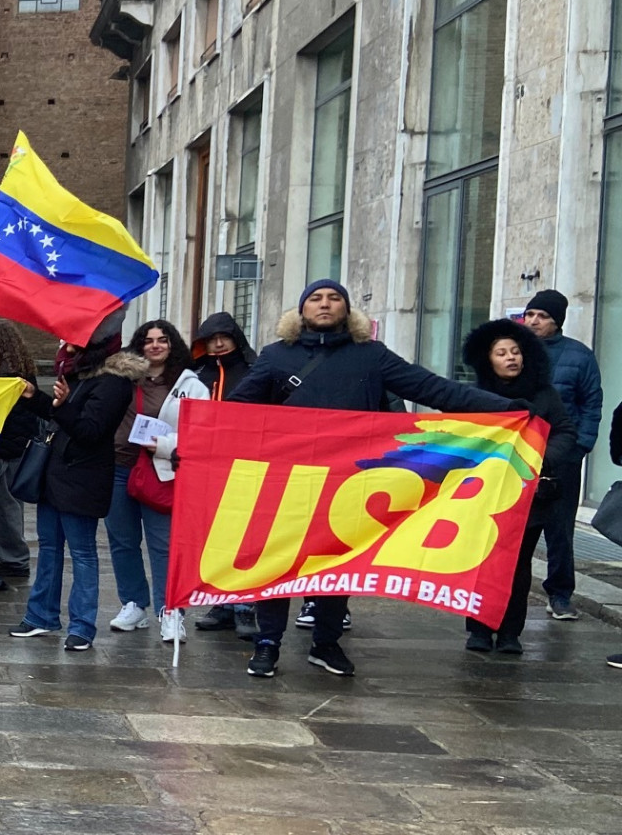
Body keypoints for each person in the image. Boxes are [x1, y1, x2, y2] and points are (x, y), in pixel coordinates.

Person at [230, 279, 522, 678]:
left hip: (350, 480)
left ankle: (326, 643)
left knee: (337, 561)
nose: (325, 304)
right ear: (301, 311)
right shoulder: (276, 356)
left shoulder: (371, 356)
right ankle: (267, 644)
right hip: (290, 479)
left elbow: (434, 389)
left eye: (334, 298)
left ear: (348, 311)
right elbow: (235, 411)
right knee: (276, 559)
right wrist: (193, 442)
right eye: (315, 298)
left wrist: (504, 408)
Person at [10, 319, 144, 651]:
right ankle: (41, 615)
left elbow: (89, 431)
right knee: (49, 548)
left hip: (82, 478)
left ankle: (82, 626)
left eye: (72, 341)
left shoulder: (114, 382)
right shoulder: (76, 371)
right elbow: (59, 415)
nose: (64, 346)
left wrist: (64, 405)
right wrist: (34, 397)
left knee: (82, 553)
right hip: (54, 474)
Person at [458, 320, 575, 655]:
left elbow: (566, 431)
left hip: (530, 497)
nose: (511, 358)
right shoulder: (474, 395)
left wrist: (541, 458)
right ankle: (479, 628)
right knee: (484, 562)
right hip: (485, 494)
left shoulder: (545, 395)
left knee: (519, 566)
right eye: (502, 353)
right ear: (488, 359)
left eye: (516, 351)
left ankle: (511, 632)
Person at [105, 320, 193, 641]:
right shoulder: (124, 379)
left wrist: (167, 446)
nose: (155, 345)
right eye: (148, 340)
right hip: (118, 467)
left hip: (161, 470)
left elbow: (201, 431)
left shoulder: (189, 383)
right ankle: (134, 604)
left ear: (173, 345)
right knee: (122, 540)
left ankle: (170, 610)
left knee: (162, 545)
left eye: (162, 340)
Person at [522, 290, 601, 622]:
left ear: (557, 322)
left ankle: (560, 595)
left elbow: (591, 405)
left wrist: (578, 447)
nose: (533, 321)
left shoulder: (579, 357)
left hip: (562, 457)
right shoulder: (515, 352)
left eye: (542, 316)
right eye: (530, 315)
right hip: (519, 455)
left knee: (559, 530)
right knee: (518, 529)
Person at [187, 311, 260, 640]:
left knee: (246, 539)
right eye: (211, 339)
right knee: (215, 540)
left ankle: (245, 606)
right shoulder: (195, 374)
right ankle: (221, 603)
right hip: (206, 467)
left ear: (235, 338)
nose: (218, 343)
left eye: (224, 337)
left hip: (246, 465)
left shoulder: (254, 371)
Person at [0, 318, 41, 591]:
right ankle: (12, 557)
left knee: (1, 508)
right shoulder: (22, 370)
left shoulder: (1, 375)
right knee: (5, 506)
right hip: (12, 450)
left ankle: (14, 559)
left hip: (2, 452)